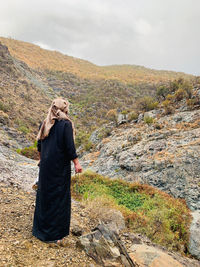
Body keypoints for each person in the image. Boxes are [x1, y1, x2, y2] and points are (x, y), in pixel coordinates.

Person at [32, 98, 82, 244]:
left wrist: (42, 160)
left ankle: (40, 231)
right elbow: (70, 148)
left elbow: (39, 145)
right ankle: (54, 235)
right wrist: (77, 164)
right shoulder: (66, 124)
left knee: (45, 196)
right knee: (58, 198)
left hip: (46, 167)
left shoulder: (45, 123)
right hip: (59, 168)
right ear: (65, 109)